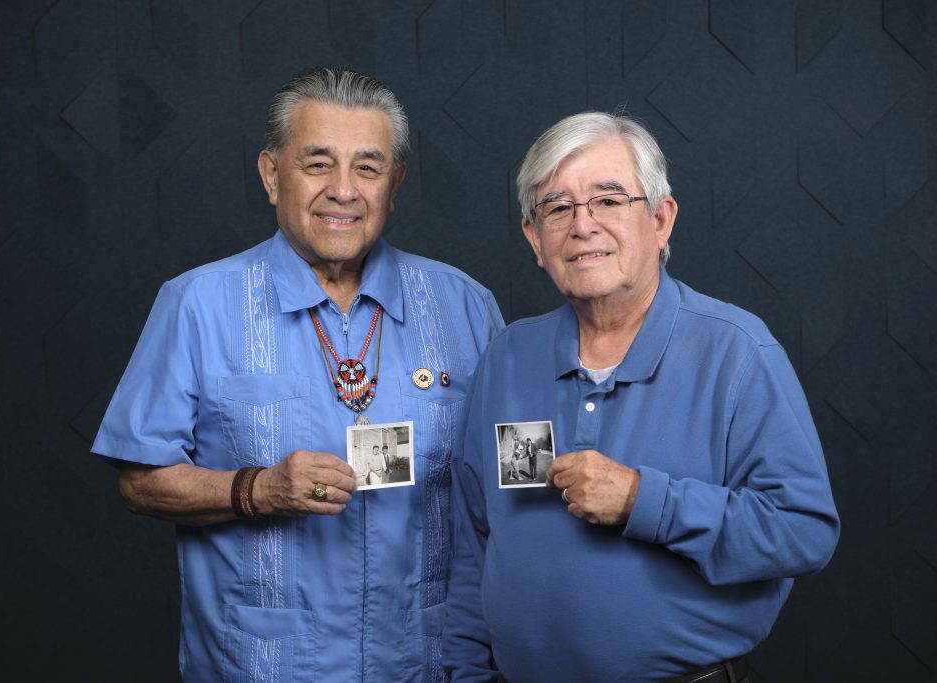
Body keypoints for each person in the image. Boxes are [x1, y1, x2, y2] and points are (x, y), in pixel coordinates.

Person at [92, 66, 504, 682]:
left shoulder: (466, 306)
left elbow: (504, 487)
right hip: (263, 665)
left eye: (368, 167)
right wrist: (258, 490)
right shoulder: (197, 303)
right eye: (317, 164)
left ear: (395, 183)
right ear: (270, 174)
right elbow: (139, 482)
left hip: (426, 662)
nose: (344, 190)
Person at [443, 112, 840, 682]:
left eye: (608, 200)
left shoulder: (738, 353)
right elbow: (474, 544)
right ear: (535, 239)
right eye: (557, 208)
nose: (583, 226)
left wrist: (642, 501)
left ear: (660, 219)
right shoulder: (507, 357)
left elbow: (804, 532)